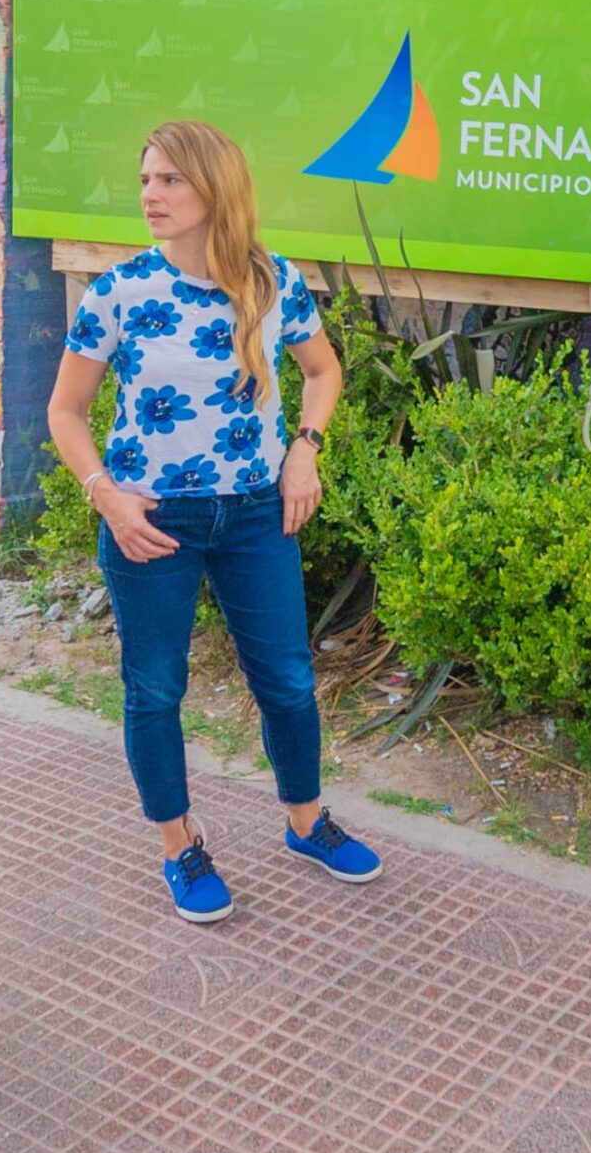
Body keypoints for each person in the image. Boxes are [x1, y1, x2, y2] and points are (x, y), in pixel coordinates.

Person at [46, 119, 381, 925]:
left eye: (169, 181)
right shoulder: (120, 292)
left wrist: (306, 450)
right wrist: (106, 495)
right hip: (150, 519)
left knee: (290, 683)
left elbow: (323, 370)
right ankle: (179, 845)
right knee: (155, 688)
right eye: (146, 180)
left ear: (214, 189)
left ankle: (306, 822)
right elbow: (65, 410)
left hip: (256, 513)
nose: (150, 196)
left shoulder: (273, 283)